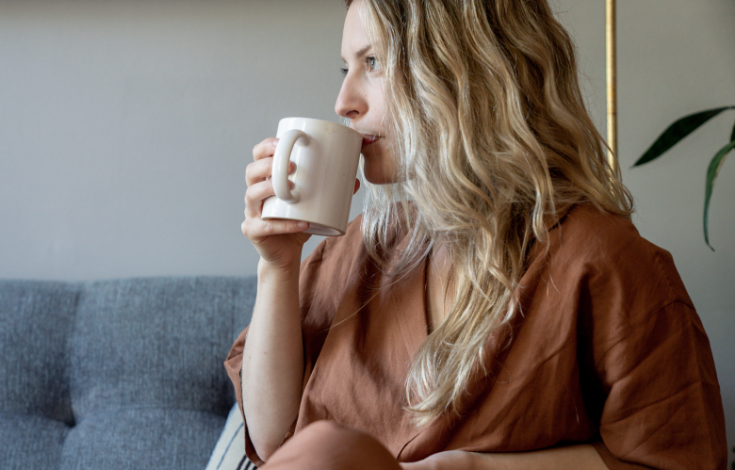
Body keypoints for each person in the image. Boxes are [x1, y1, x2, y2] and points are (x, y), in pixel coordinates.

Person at [230, 0, 727, 469]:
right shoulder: (363, 247)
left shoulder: (602, 261)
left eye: (375, 62)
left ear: (465, 68)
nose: (344, 102)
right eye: (346, 68)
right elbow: (273, 441)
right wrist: (277, 265)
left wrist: (472, 467)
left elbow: (674, 457)